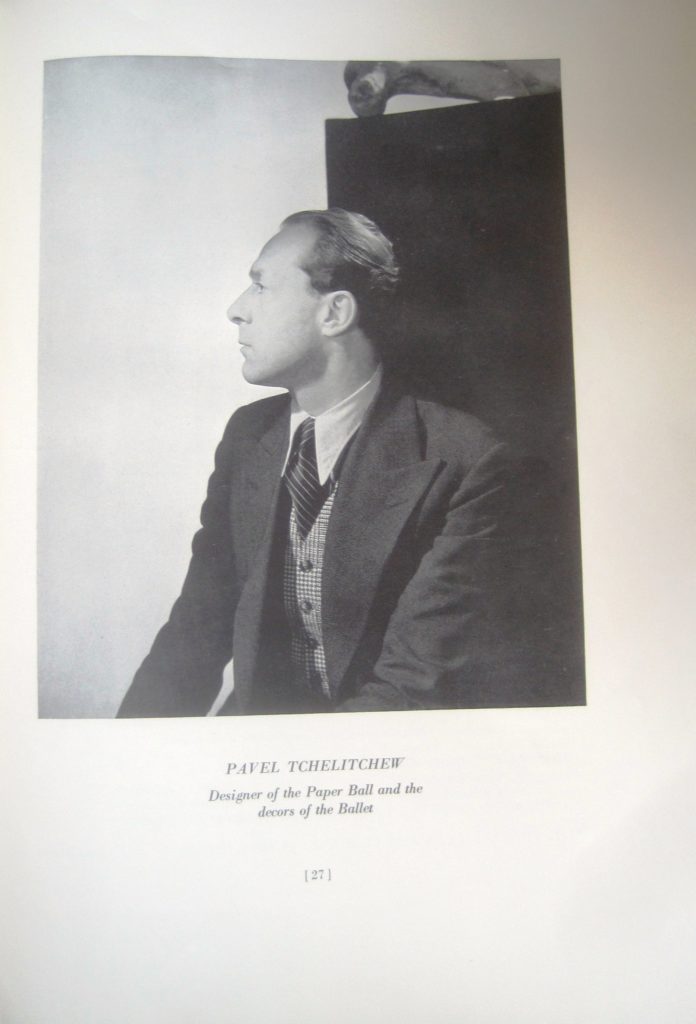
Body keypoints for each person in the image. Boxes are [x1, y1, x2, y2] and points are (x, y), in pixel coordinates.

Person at [117, 208, 522, 717]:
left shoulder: (466, 460)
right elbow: (194, 633)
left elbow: (413, 685)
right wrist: (129, 749)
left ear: (334, 313)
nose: (236, 310)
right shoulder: (248, 434)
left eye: (260, 286)